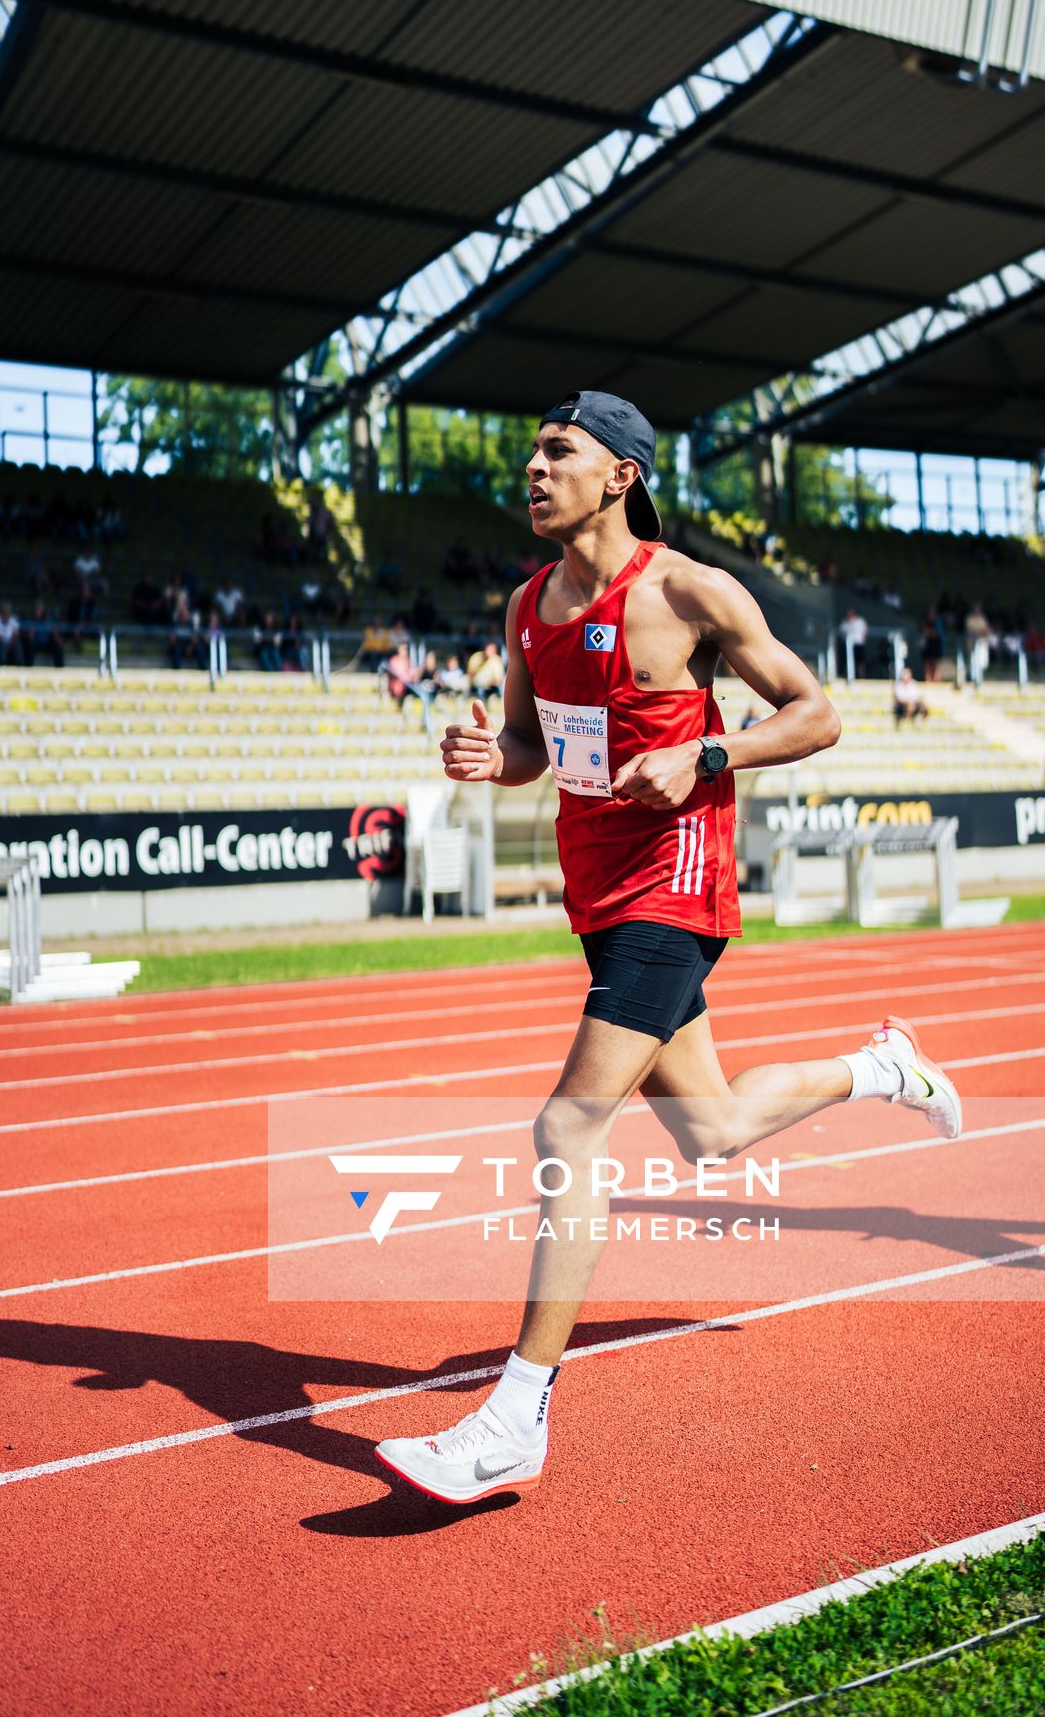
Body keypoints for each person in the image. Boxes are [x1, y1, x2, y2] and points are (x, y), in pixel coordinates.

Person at [374, 388, 962, 1505]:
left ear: (620, 475)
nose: (534, 469)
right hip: (596, 893)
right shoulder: (526, 608)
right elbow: (526, 746)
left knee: (566, 1119)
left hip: (676, 883)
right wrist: (482, 757)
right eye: (532, 453)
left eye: (558, 452)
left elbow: (815, 712)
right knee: (713, 1130)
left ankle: (516, 1415)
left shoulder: (688, 588)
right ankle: (885, 1067)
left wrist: (704, 759)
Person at [21, 600, 65, 669]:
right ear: (33, 610)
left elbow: (55, 633)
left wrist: (55, 635)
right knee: (29, 644)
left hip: (47, 643)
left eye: (39, 609)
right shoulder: (29, 620)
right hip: (35, 644)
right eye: (36, 609)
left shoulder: (48, 620)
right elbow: (23, 635)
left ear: (42, 610)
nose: (37, 611)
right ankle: (28, 669)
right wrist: (29, 635)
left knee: (58, 646)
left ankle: (60, 670)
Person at [0, 599, 23, 667]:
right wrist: (5, 643)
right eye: (5, 609)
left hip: (11, 642)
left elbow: (15, 634)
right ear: (1, 610)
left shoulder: (14, 619)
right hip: (0, 642)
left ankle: (19, 665)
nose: (6, 610)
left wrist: (10, 643)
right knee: (1, 645)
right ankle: (2, 665)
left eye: (8, 609)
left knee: (18, 644)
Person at [836, 605, 867, 680]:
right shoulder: (844, 623)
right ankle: (846, 676)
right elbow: (841, 633)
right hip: (848, 646)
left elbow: (864, 633)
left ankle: (861, 678)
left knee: (860, 662)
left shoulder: (860, 622)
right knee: (847, 662)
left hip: (858, 645)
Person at [918, 606, 943, 684]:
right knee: (927, 664)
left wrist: (930, 632)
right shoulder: (924, 621)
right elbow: (924, 631)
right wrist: (930, 632)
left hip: (935, 645)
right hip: (927, 645)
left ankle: (936, 681)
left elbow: (937, 633)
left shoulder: (937, 621)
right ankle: (928, 681)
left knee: (935, 665)